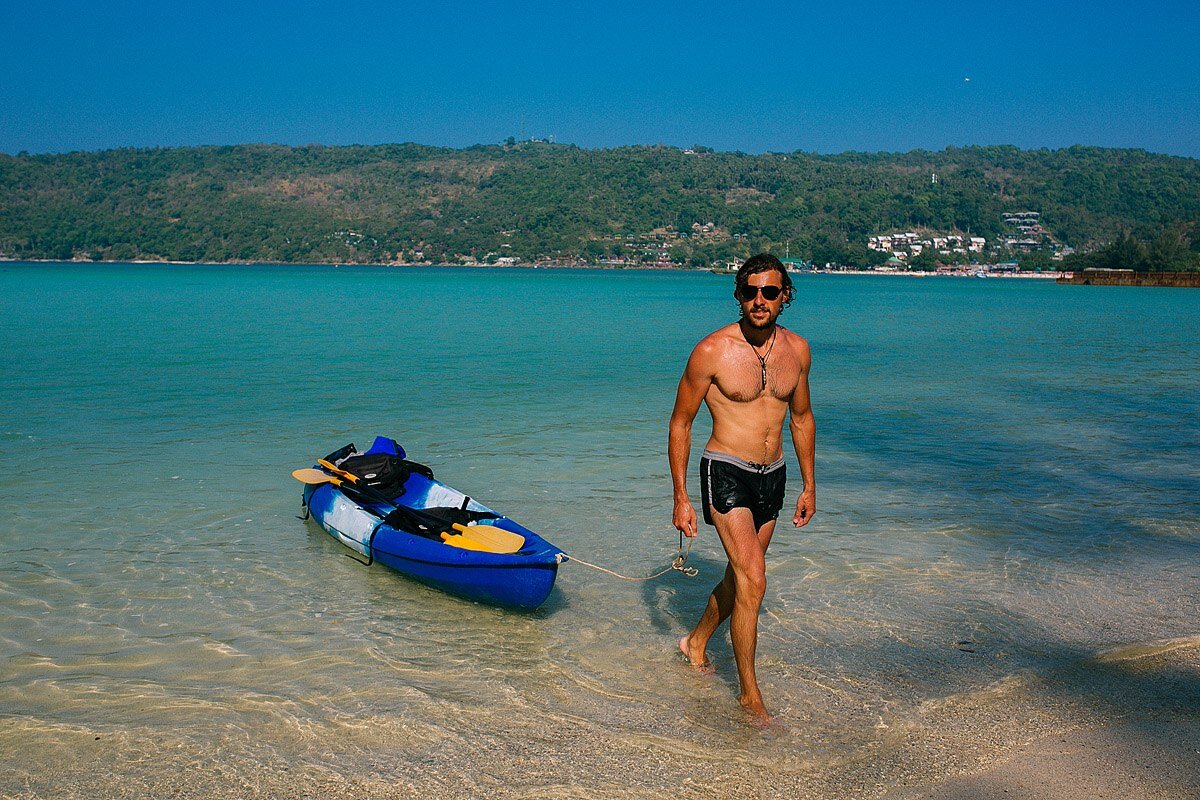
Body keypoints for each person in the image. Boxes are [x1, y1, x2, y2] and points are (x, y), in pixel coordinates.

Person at [668, 252, 816, 724]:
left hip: (773, 475)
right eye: (750, 291)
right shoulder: (711, 351)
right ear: (738, 294)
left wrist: (810, 484)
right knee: (755, 579)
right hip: (725, 470)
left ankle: (694, 642)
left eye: (769, 292)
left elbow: (801, 418)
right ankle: (750, 696)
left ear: (784, 296)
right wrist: (681, 496)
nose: (759, 300)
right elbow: (681, 423)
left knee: (740, 580)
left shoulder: (798, 351)